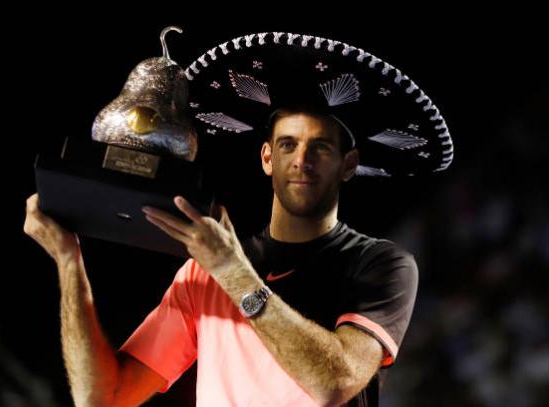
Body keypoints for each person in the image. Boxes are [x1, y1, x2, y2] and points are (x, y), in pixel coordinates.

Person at [24, 31, 452, 406]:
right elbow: (102, 398)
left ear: (348, 163)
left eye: (320, 147)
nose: (301, 160)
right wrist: (68, 262)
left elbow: (334, 382)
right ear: (267, 157)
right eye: (287, 145)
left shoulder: (381, 264)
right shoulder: (203, 274)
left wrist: (232, 271)